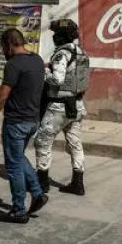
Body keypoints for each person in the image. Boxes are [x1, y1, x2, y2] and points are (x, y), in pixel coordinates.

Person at [0, 28, 48, 224]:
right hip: (33, 120)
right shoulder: (37, 60)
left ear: (9, 44)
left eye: (2, 46)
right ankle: (38, 194)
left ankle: (19, 209)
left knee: (14, 165)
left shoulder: (13, 65)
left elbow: (2, 95)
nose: (2, 51)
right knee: (18, 158)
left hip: (16, 122)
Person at [35, 19, 90, 196]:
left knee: (43, 141)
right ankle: (78, 183)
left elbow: (57, 79)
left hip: (59, 106)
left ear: (62, 36)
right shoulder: (82, 53)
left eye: (56, 35)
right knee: (75, 144)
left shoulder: (62, 54)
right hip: (77, 105)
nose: (54, 38)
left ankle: (42, 183)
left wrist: (44, 72)